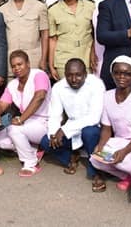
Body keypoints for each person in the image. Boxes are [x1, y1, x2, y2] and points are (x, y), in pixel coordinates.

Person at [40, 58, 105, 192]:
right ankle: (71, 157)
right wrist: (53, 133)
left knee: (89, 132)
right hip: (71, 131)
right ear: (65, 74)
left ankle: (96, 173)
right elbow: (55, 114)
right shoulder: (58, 87)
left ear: (85, 74)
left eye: (78, 75)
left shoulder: (96, 84)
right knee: (46, 142)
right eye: (69, 75)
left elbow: (94, 117)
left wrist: (64, 130)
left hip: (93, 129)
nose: (74, 79)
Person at [90, 56, 131, 192]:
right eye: (117, 73)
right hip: (118, 141)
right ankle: (129, 175)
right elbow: (106, 129)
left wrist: (124, 151)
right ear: (112, 74)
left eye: (127, 74)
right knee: (95, 159)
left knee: (122, 161)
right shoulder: (107, 96)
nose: (121, 77)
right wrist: (100, 146)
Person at [0, 50, 51, 177]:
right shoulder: (12, 84)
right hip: (27, 124)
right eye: (13, 66)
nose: (17, 68)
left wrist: (21, 119)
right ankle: (34, 150)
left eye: (20, 64)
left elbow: (40, 96)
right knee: (0, 140)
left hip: (44, 123)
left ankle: (31, 163)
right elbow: (2, 104)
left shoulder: (39, 75)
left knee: (14, 129)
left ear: (28, 63)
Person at [48, 0, 96, 80]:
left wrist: (94, 53)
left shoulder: (91, 6)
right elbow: (53, 39)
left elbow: (95, 34)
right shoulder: (52, 10)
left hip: (86, 57)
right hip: (63, 59)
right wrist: (51, 65)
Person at [0, 0, 49, 72]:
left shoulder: (39, 6)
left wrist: (44, 60)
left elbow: (45, 34)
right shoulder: (2, 9)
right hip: (11, 63)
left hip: (34, 61)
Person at [92, 0, 123, 76]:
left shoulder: (125, 8)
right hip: (99, 54)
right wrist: (92, 52)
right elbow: (94, 34)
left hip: (119, 53)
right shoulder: (97, 9)